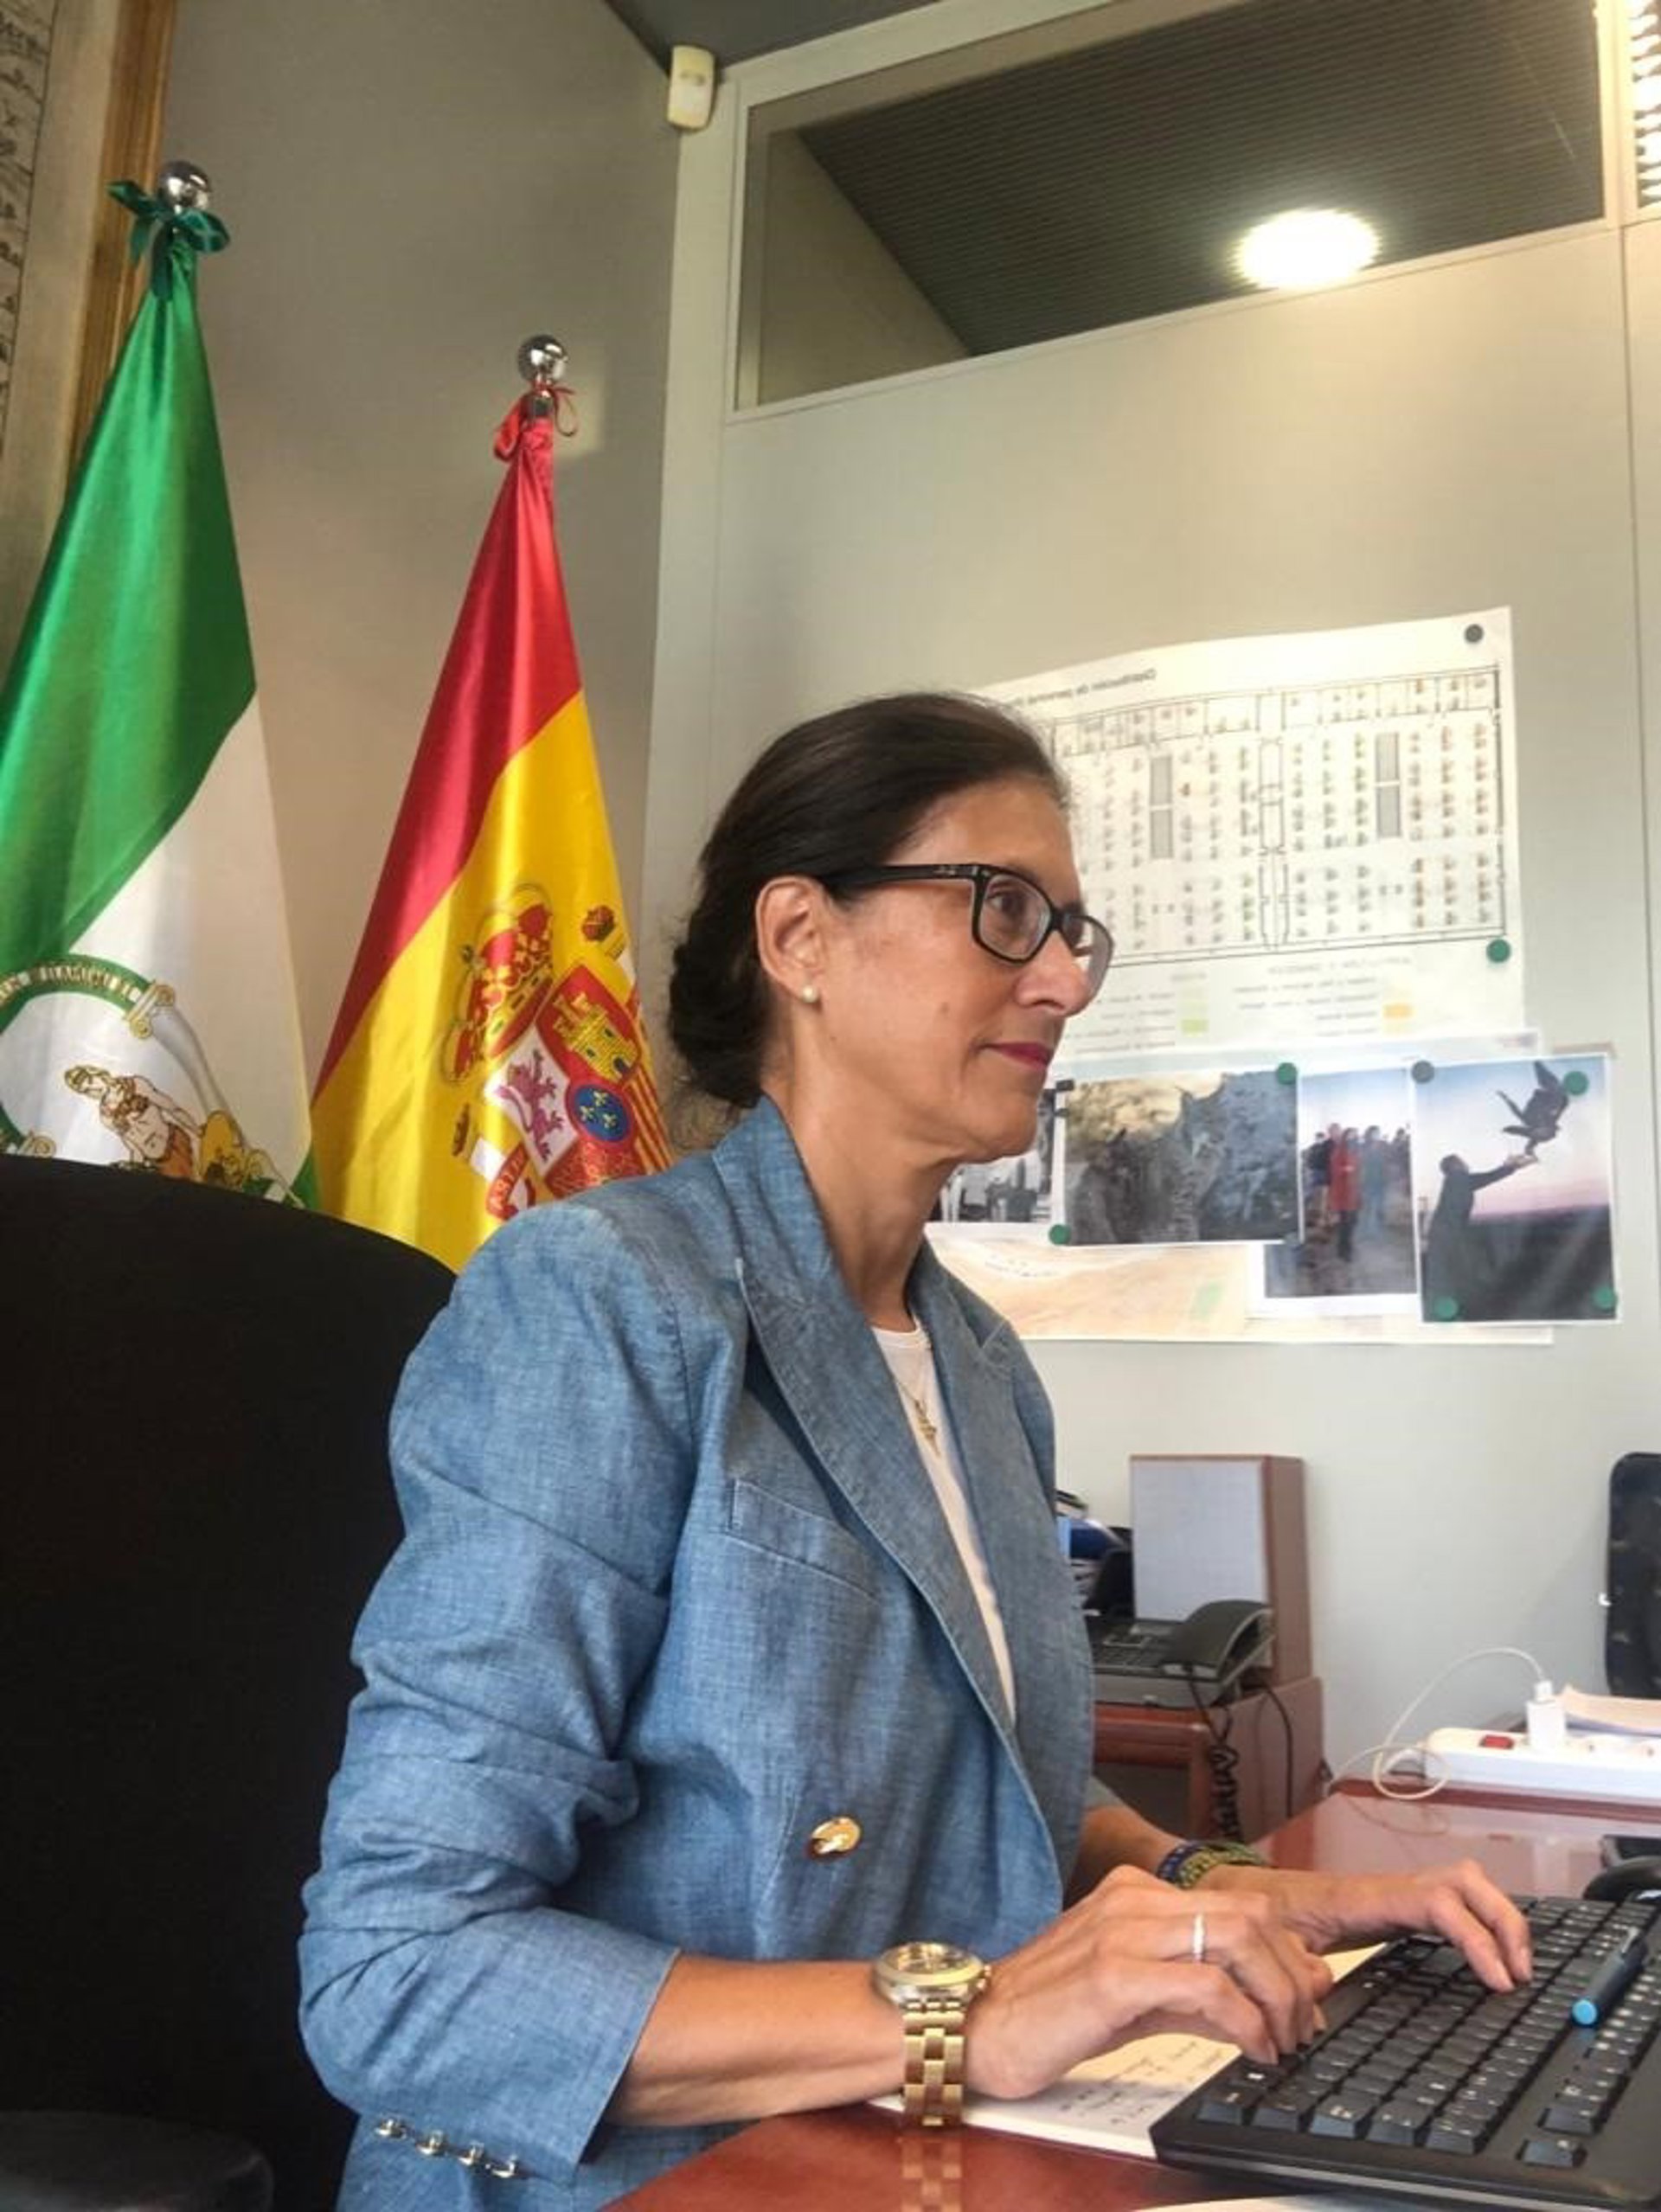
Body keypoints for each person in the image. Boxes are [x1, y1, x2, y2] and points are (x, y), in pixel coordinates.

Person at [300, 693, 1530, 2211]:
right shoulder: (606, 1301)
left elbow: (990, 1797)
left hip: (912, 2155)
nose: (1062, 977)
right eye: (1005, 908)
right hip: (657, 2179)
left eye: (1072, 928)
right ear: (801, 937)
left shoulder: (987, 1368)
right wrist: (974, 2015)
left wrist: (1240, 1888)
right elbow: (399, 1972)